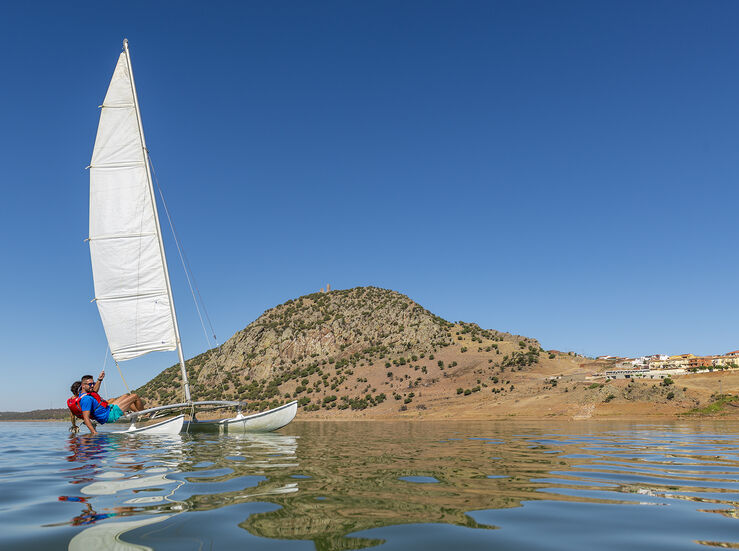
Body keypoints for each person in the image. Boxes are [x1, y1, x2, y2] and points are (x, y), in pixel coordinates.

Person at [75, 372, 145, 435]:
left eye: (93, 383)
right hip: (109, 416)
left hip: (108, 409)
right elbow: (86, 418)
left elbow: (95, 390)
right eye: (90, 384)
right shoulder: (86, 399)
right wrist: (94, 432)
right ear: (83, 385)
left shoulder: (85, 393)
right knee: (134, 396)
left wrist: (99, 379)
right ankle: (143, 414)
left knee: (126, 396)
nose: (92, 386)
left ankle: (138, 413)